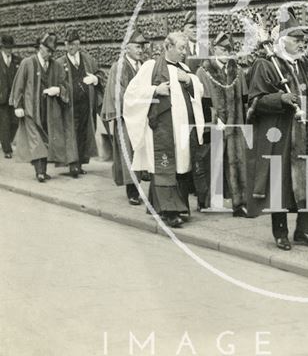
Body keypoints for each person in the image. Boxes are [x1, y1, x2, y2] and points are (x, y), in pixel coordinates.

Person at [246, 9, 308, 250]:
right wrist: (280, 98)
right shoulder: (266, 65)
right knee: (282, 186)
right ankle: (280, 232)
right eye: (296, 40)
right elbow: (255, 102)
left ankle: (305, 231)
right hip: (282, 136)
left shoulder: (305, 65)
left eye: (302, 40)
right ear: (283, 41)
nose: (301, 44)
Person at [123, 32, 205, 228]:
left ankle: (178, 206)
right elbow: (131, 94)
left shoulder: (184, 68)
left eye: (185, 48)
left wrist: (189, 81)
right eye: (181, 48)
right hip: (161, 129)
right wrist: (155, 90)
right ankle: (169, 212)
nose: (184, 53)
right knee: (165, 166)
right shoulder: (150, 67)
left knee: (181, 167)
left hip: (182, 130)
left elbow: (200, 90)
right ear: (168, 47)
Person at [194, 30, 249, 216]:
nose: (226, 54)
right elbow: (201, 102)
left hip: (235, 125)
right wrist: (214, 119)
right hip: (214, 124)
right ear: (214, 49)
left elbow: (244, 98)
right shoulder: (203, 72)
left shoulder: (238, 71)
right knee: (212, 163)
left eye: (229, 50)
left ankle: (239, 203)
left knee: (238, 162)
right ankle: (207, 201)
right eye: (222, 49)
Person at [9, 33, 71, 182]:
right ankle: (40, 172)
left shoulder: (55, 66)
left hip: (50, 111)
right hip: (31, 109)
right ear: (41, 47)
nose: (49, 54)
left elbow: (65, 85)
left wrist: (58, 90)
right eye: (47, 50)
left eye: (52, 52)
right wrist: (17, 105)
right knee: (36, 140)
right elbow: (19, 85)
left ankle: (42, 169)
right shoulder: (27, 63)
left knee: (46, 140)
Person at [101, 31, 149, 205]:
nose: (140, 50)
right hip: (126, 117)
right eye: (137, 46)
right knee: (128, 152)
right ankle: (132, 191)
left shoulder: (143, 66)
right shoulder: (119, 67)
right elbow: (117, 93)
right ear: (127, 47)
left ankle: (139, 186)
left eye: (142, 47)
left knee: (140, 151)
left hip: (142, 117)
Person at [57, 30, 100, 178]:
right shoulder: (60, 63)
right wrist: (62, 92)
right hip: (69, 106)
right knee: (71, 133)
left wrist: (95, 79)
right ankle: (73, 165)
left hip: (86, 105)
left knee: (83, 133)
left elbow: (100, 75)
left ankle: (80, 163)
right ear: (65, 45)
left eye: (74, 44)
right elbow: (56, 82)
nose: (71, 47)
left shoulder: (88, 60)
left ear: (79, 44)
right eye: (69, 44)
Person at [0, 34, 20, 159]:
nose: (9, 50)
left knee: (15, 122)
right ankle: (7, 149)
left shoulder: (18, 60)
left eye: (10, 47)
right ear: (1, 47)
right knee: (5, 123)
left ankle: (5, 140)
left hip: (13, 98)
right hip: (1, 98)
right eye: (6, 47)